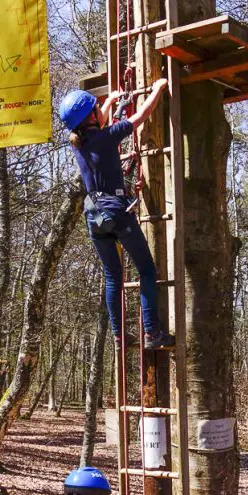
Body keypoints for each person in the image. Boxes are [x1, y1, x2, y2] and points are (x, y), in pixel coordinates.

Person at [59, 79, 174, 349]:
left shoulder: (80, 143)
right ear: (91, 117)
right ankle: (152, 333)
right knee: (146, 270)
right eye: (97, 108)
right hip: (115, 211)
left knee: (113, 276)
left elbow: (97, 121)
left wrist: (109, 102)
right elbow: (141, 115)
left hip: (94, 215)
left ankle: (119, 336)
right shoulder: (107, 136)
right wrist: (158, 88)